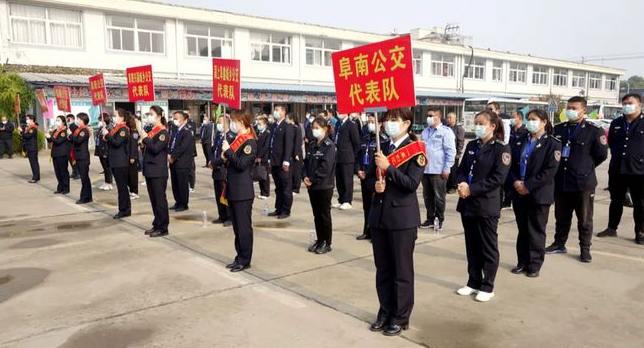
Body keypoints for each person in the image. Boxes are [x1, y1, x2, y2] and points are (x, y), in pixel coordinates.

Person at [368, 108, 425, 336]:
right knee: (382, 269)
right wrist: (375, 184)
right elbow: (370, 176)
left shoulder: (416, 150)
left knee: (401, 270)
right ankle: (385, 310)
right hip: (379, 216)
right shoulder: (380, 147)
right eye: (387, 119)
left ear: (407, 124)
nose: (389, 123)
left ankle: (400, 316)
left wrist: (388, 168)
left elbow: (411, 184)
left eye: (395, 120)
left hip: (402, 218)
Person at [454, 110, 510, 302]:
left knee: (488, 246)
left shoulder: (501, 149)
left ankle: (488, 285)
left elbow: (498, 178)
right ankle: (473, 281)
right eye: (476, 123)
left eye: (481, 123)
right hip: (467, 204)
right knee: (472, 245)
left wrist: (472, 189)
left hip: (486, 205)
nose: (477, 126)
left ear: (492, 127)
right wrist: (461, 184)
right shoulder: (472, 145)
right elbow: (461, 170)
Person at [546, 96, 608, 262]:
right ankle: (559, 244)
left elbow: (601, 155)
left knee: (585, 219)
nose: (570, 111)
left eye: (574, 108)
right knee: (561, 217)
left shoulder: (594, 131)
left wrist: (585, 167)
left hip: (583, 183)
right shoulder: (558, 129)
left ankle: (585, 249)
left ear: (583, 110)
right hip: (561, 181)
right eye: (569, 107)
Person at [508, 109, 561, 277]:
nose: (530, 122)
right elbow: (511, 164)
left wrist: (528, 185)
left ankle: (534, 264)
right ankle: (522, 261)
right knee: (522, 229)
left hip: (538, 193)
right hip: (519, 192)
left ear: (544, 122)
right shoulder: (521, 139)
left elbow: (549, 171)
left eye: (534, 119)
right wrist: (515, 181)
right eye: (528, 119)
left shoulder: (552, 143)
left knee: (536, 230)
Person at [597, 93, 644, 244]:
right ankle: (612, 228)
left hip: (639, 171)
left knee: (640, 203)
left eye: (630, 103)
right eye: (624, 103)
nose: (626, 106)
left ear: (639, 105)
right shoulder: (616, 123)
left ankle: (640, 232)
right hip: (617, 169)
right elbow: (611, 143)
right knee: (616, 200)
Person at [222, 110, 257, 273]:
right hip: (233, 189)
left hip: (242, 191)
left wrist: (228, 151)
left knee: (243, 228)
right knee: (237, 228)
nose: (232, 125)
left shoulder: (249, 143)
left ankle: (245, 259)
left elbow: (241, 164)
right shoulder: (238, 139)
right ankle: (239, 256)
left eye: (234, 121)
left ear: (241, 122)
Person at [303, 116, 336, 254]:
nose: (314, 131)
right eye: (313, 128)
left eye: (317, 128)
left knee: (324, 214)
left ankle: (326, 242)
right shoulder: (311, 144)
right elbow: (306, 163)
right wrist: (304, 176)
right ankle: (320, 239)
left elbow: (325, 167)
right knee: (316, 215)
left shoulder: (329, 146)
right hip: (312, 186)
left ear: (325, 129)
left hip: (324, 185)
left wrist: (312, 178)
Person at [420, 107, 456, 230]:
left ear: (438, 117)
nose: (428, 118)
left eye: (431, 115)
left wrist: (447, 168)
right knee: (427, 197)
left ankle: (439, 219)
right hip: (425, 170)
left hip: (439, 170)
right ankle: (430, 218)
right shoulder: (425, 132)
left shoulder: (446, 132)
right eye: (428, 115)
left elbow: (450, 151)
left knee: (439, 197)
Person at [140, 106, 170, 237]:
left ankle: (163, 227)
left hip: (158, 171)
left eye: (151, 114)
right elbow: (147, 148)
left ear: (159, 116)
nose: (149, 116)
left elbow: (156, 148)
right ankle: (156, 223)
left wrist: (146, 138)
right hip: (150, 170)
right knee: (153, 200)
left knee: (160, 200)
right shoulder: (153, 131)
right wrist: (142, 143)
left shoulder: (163, 133)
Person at [355, 114, 386, 240]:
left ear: (380, 124)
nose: (370, 124)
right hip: (364, 177)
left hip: (375, 178)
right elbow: (358, 156)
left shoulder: (383, 140)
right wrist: (358, 169)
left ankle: (376, 233)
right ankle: (367, 230)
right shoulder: (365, 138)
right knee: (366, 205)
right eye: (369, 122)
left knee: (377, 206)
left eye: (373, 122)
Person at [102, 109, 132, 219]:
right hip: (115, 161)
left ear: (122, 117)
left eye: (116, 115)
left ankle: (124, 210)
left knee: (122, 187)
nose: (114, 117)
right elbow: (111, 140)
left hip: (120, 162)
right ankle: (124, 208)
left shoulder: (123, 129)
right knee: (121, 187)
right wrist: (106, 135)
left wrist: (107, 135)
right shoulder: (116, 128)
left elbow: (117, 143)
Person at [268, 105, 294, 219]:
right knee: (278, 187)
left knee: (286, 187)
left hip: (283, 162)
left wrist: (286, 161)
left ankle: (286, 210)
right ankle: (278, 208)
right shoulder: (273, 126)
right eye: (275, 110)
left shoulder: (287, 126)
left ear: (283, 112)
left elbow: (288, 145)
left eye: (277, 110)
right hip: (274, 161)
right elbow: (271, 144)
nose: (275, 112)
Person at [332, 112, 361, 210]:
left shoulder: (351, 125)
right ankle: (341, 199)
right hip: (338, 156)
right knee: (339, 179)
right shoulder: (338, 124)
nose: (339, 113)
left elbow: (356, 142)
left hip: (348, 157)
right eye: (338, 111)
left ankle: (348, 200)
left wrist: (354, 156)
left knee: (347, 180)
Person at [210, 115, 235, 225]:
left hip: (224, 170)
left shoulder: (230, 137)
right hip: (216, 169)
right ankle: (222, 215)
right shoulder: (218, 136)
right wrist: (211, 161)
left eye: (220, 122)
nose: (218, 125)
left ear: (226, 123)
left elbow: (226, 156)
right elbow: (213, 150)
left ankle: (229, 217)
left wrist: (215, 162)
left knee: (226, 195)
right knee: (218, 194)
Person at [503, 110, 529, 209]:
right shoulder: (509, 130)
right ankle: (507, 201)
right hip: (508, 159)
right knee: (507, 181)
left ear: (520, 118)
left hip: (519, 161)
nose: (511, 119)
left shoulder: (525, 132)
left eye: (513, 117)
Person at [169, 111, 193, 212]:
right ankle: (178, 201)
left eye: (177, 118)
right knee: (175, 183)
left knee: (182, 184)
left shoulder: (187, 131)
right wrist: (169, 154)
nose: (175, 120)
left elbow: (182, 147)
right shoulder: (176, 130)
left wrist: (173, 156)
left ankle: (184, 203)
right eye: (174, 118)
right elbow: (172, 144)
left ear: (183, 119)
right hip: (173, 161)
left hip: (182, 162)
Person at [70, 113, 93, 204]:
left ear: (83, 120)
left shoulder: (84, 130)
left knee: (84, 178)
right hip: (79, 156)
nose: (77, 121)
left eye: (78, 119)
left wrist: (70, 135)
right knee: (84, 178)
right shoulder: (79, 130)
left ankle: (85, 197)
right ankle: (88, 196)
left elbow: (78, 140)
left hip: (82, 156)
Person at [46, 115, 71, 195]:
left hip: (62, 154)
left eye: (58, 120)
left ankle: (66, 188)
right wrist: (47, 136)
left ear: (63, 122)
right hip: (55, 153)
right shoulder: (55, 131)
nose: (57, 122)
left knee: (63, 172)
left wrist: (51, 137)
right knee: (57, 172)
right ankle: (60, 187)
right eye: (56, 120)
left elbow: (58, 141)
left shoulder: (64, 131)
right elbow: (51, 141)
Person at [445, 112, 464, 194]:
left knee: (453, 171)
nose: (448, 119)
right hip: (445, 154)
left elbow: (460, 141)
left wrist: (458, 153)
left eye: (450, 117)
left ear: (455, 119)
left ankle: (453, 186)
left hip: (454, 154)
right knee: (446, 170)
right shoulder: (444, 128)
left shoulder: (459, 129)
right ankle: (447, 186)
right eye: (447, 117)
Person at [95, 113, 113, 191]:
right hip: (100, 150)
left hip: (105, 151)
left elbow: (108, 142)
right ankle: (106, 182)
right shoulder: (101, 128)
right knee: (104, 168)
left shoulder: (109, 129)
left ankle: (109, 183)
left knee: (107, 168)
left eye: (100, 120)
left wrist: (106, 152)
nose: (99, 122)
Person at [19, 115, 40, 183]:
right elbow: (25, 136)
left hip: (32, 148)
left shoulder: (33, 128)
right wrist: (22, 133)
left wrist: (21, 131)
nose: (26, 120)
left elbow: (28, 136)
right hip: (30, 147)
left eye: (27, 119)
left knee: (33, 163)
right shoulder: (29, 127)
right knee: (34, 163)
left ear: (31, 120)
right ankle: (37, 176)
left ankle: (35, 178)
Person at [255, 116, 271, 199]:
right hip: (257, 157)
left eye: (260, 124)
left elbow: (266, 146)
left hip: (264, 157)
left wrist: (260, 156)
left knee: (264, 175)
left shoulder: (268, 133)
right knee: (259, 174)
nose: (258, 125)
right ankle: (262, 192)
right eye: (258, 124)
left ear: (265, 125)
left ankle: (266, 193)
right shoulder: (258, 132)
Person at [126, 114, 140, 200]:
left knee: (133, 175)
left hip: (132, 157)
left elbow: (134, 145)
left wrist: (132, 157)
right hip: (127, 155)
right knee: (128, 174)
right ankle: (131, 190)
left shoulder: (134, 132)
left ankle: (134, 192)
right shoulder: (129, 130)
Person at [184, 109, 197, 193]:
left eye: (186, 113)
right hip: (182, 151)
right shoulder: (180, 123)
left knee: (191, 169)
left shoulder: (192, 124)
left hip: (190, 149)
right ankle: (185, 184)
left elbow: (191, 135)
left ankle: (191, 186)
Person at [290, 115, 304, 195]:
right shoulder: (290, 128)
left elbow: (298, 142)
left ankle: (296, 188)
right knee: (292, 171)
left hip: (297, 153)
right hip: (291, 152)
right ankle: (292, 187)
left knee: (297, 172)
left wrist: (296, 153)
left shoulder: (297, 128)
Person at [66, 114, 79, 179]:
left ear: (73, 119)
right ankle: (74, 172)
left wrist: (70, 137)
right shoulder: (68, 126)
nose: (67, 121)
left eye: (69, 119)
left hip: (72, 145)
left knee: (73, 159)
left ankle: (77, 173)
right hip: (68, 145)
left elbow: (75, 136)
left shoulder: (74, 126)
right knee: (70, 160)